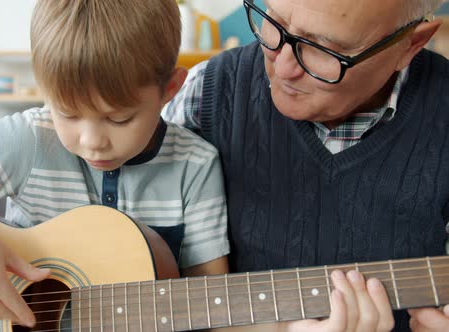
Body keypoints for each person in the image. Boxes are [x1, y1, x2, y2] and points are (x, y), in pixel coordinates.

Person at [0, 0, 230, 328]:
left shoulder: (196, 167)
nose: (91, 141)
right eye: (68, 114)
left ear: (171, 89)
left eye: (119, 119)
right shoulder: (27, 140)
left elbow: (213, 305)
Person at [163, 0, 449, 331]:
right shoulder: (203, 97)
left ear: (410, 44)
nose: (283, 68)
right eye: (275, 22)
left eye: (322, 49)